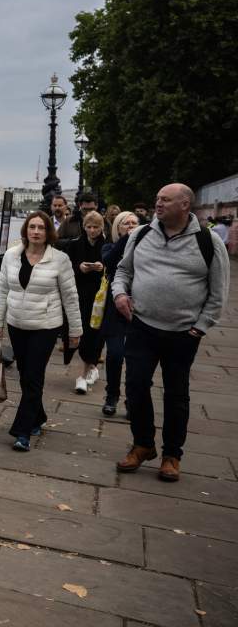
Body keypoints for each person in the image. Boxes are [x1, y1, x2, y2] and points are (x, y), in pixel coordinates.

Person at [113, 183, 230, 482]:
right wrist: (119, 295)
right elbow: (123, 271)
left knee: (176, 394)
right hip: (142, 326)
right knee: (136, 387)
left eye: (166, 199)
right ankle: (142, 445)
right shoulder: (141, 235)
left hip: (182, 333)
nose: (159, 204)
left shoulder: (208, 242)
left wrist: (200, 327)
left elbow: (218, 292)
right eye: (157, 198)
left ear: (185, 205)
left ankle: (172, 455)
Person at [0, 211, 82, 451]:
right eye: (32, 227)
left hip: (45, 326)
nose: (36, 232)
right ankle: (38, 416)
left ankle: (22, 432)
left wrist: (75, 330)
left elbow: (71, 298)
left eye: (41, 228)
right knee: (25, 375)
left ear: (48, 232)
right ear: (26, 230)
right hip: (16, 324)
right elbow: (1, 290)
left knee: (33, 377)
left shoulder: (59, 259)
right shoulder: (11, 256)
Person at [59, 210, 107, 394]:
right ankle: (90, 369)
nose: (92, 230)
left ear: (101, 228)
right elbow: (66, 267)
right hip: (78, 294)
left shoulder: (107, 245)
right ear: (84, 227)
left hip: (99, 297)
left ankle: (85, 372)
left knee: (93, 333)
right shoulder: (75, 245)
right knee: (77, 332)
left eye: (96, 227)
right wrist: (79, 267)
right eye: (89, 227)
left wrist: (103, 267)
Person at [101, 210, 140, 416]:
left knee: (136, 359)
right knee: (115, 354)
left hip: (140, 307)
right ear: (118, 227)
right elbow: (108, 260)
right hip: (115, 306)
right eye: (126, 223)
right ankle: (112, 394)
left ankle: (132, 399)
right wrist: (126, 240)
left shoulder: (146, 247)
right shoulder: (110, 245)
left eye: (134, 223)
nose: (131, 226)